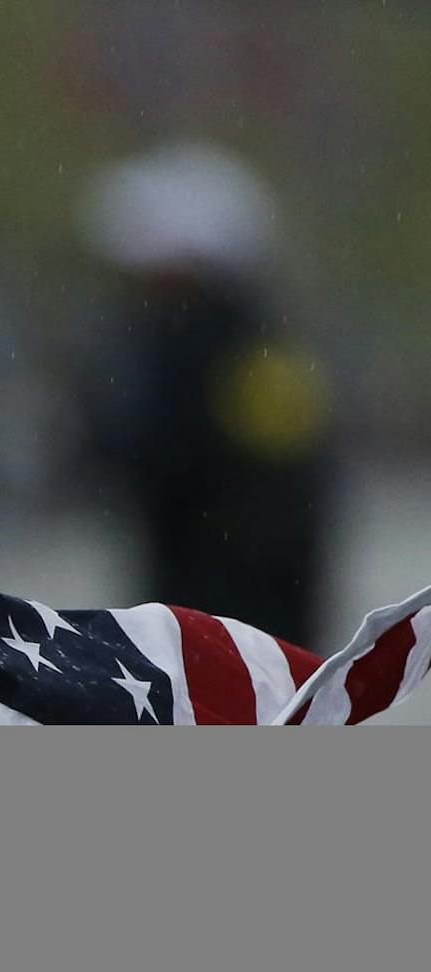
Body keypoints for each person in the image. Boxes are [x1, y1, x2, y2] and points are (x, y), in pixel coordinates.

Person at [73, 142, 333, 647]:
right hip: (231, 606)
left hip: (227, 608)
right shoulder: (257, 343)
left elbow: (177, 454)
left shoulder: (215, 350)